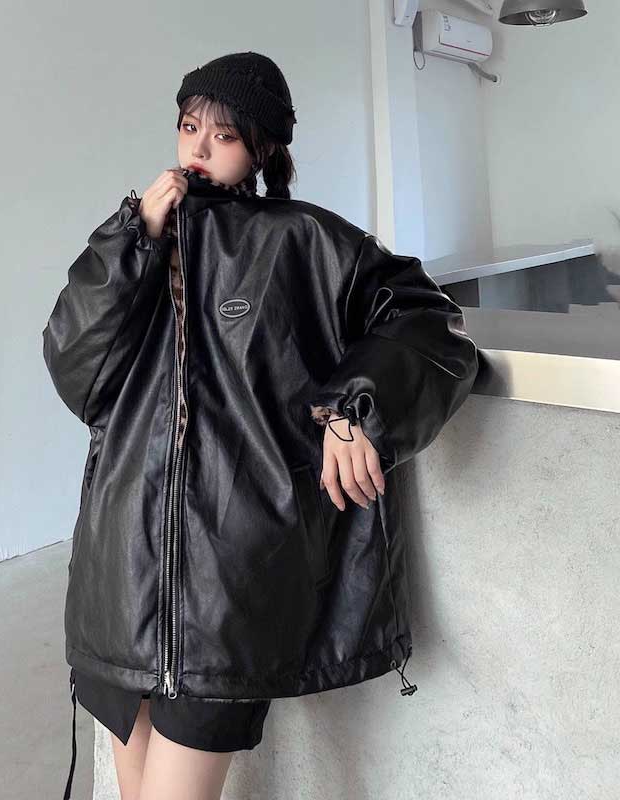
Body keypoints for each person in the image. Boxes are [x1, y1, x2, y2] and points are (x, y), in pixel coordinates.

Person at [42, 51, 481, 800]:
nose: (200, 148)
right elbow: (73, 367)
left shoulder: (302, 240)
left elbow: (429, 321)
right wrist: (132, 239)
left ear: (263, 148)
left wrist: (355, 409)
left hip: (229, 583)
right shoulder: (137, 241)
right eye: (189, 127)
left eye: (225, 134)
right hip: (119, 572)